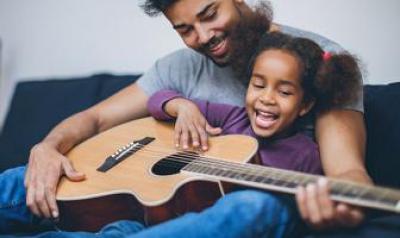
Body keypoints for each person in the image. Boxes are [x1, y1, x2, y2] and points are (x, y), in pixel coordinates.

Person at [0, 0, 370, 235]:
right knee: (25, 178)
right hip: (135, 202)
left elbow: (346, 172)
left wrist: (345, 209)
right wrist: (47, 147)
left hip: (208, 217)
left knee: (255, 208)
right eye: (184, 29)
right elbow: (96, 119)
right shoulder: (182, 69)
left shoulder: (320, 63)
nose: (204, 36)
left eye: (210, 14)